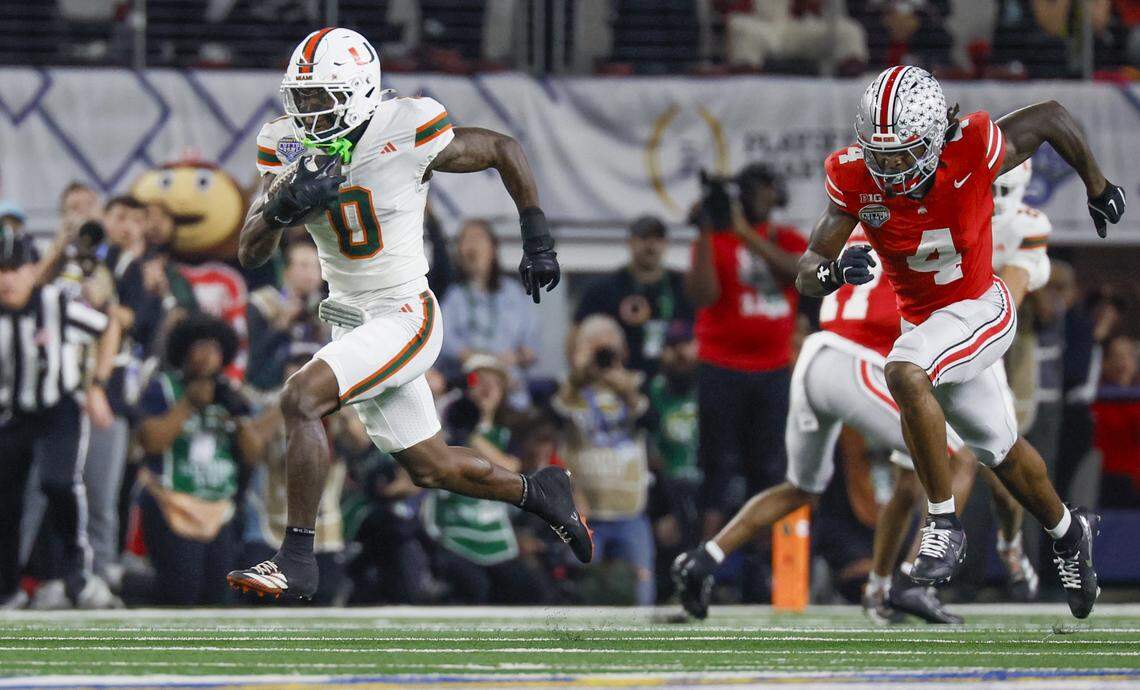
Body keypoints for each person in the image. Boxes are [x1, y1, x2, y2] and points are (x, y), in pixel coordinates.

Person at [228, 27, 591, 601]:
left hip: (403, 313)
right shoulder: (286, 144)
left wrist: (536, 235)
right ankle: (538, 491)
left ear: (358, 92)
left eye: (321, 97)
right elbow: (249, 252)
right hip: (348, 316)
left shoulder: (407, 125)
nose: (306, 112)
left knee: (300, 397)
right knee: (431, 466)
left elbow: (502, 148)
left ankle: (296, 558)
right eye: (301, 98)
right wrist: (279, 208)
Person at [794, 66, 1125, 618]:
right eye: (880, 153)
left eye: (902, 153)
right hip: (928, 327)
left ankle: (943, 525)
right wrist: (829, 274)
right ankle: (1070, 532)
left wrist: (1098, 184)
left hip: (979, 308)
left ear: (932, 138)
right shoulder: (855, 176)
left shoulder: (970, 147)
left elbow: (1050, 117)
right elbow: (809, 265)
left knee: (903, 370)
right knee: (1002, 453)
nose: (889, 166)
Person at [672, 226, 970, 624]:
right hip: (855, 361)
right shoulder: (912, 229)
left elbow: (807, 273)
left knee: (801, 489)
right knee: (958, 460)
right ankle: (911, 583)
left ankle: (702, 559)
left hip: (817, 354)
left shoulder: (849, 225)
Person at [685, 163, 807, 540]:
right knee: (717, 468)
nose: (756, 196)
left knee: (769, 469)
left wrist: (743, 233)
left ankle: (765, 563)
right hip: (720, 366)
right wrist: (707, 233)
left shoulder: (786, 238)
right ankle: (707, 560)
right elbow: (701, 296)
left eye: (763, 187)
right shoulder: (717, 240)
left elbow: (799, 273)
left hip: (772, 370)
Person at [0, 231, 120, 609]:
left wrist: (97, 384)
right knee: (6, 502)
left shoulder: (55, 303)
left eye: (15, 269)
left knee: (59, 482)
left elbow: (107, 326)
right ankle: (7, 588)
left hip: (58, 409)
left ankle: (77, 572)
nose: (7, 279)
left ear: (33, 270)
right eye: (0, 270)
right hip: (12, 414)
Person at [136, 314, 262, 605]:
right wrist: (189, 405)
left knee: (220, 598)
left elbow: (253, 455)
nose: (208, 356)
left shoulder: (229, 395)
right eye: (201, 347)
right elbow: (151, 442)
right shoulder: (164, 387)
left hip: (219, 510)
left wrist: (240, 417)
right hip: (172, 504)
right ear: (184, 350)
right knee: (182, 592)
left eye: (216, 349)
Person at [426, 354, 556, 604]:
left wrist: (471, 433)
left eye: (494, 383)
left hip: (497, 542)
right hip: (454, 538)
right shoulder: (441, 429)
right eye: (478, 381)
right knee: (473, 590)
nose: (486, 389)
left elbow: (511, 468)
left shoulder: (508, 435)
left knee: (534, 591)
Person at [553, 315, 654, 605]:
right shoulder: (568, 388)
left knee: (641, 596)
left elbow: (653, 424)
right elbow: (554, 420)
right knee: (583, 596)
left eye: (606, 347)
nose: (601, 355)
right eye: (592, 347)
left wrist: (627, 390)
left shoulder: (637, 384)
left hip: (630, 510)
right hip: (583, 511)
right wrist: (577, 376)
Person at [575, 215, 693, 379]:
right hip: (620, 378)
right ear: (630, 242)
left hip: (673, 380)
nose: (650, 245)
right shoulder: (604, 289)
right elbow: (577, 334)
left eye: (657, 239)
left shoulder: (684, 286)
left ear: (665, 244)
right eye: (644, 238)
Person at [439, 219, 540, 407]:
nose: (471, 246)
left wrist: (514, 358)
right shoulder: (454, 297)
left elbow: (531, 348)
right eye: (465, 240)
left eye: (477, 238)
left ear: (493, 249)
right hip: (468, 387)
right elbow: (443, 340)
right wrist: (473, 358)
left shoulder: (514, 293)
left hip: (510, 389)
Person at [246, 239, 329, 390]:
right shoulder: (263, 302)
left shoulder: (330, 307)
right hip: (270, 389)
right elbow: (253, 359)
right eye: (304, 266)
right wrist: (281, 326)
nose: (311, 273)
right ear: (286, 271)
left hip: (321, 388)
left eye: (316, 266)